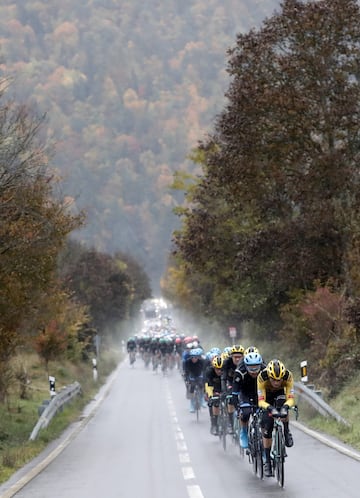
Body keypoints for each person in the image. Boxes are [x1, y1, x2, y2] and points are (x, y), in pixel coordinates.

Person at [257, 359, 295, 477]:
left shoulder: (288, 376)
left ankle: (286, 430)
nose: (277, 383)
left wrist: (285, 406)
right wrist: (269, 408)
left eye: (279, 380)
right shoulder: (262, 377)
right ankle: (267, 461)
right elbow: (260, 401)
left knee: (283, 407)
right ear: (269, 376)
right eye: (273, 380)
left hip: (280, 395)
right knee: (267, 428)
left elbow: (291, 398)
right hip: (266, 397)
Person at [232, 350, 266, 448]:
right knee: (246, 413)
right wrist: (238, 409)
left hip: (260, 392)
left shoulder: (265, 371)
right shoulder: (239, 372)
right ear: (246, 366)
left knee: (265, 419)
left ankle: (264, 446)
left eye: (256, 367)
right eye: (251, 368)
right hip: (245, 392)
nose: (254, 371)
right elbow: (235, 393)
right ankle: (243, 431)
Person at [221, 344, 245, 433]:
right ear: (231, 356)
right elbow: (223, 378)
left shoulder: (245, 363)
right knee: (231, 400)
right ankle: (230, 424)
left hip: (242, 384)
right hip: (230, 383)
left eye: (239, 357)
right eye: (235, 357)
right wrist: (224, 391)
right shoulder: (227, 363)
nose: (237, 359)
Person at [204, 355, 223, 435]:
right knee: (213, 403)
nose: (219, 371)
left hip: (223, 389)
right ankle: (214, 424)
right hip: (213, 389)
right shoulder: (209, 371)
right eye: (217, 369)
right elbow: (208, 385)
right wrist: (210, 395)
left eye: (221, 369)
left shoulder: (226, 371)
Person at [183, 348, 206, 412]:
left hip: (199, 374)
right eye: (192, 357)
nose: (194, 359)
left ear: (198, 357)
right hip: (191, 375)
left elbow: (204, 370)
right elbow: (186, 371)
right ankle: (192, 405)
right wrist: (186, 378)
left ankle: (202, 400)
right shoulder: (187, 362)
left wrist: (204, 378)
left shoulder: (202, 361)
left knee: (201, 385)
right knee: (192, 387)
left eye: (195, 357)